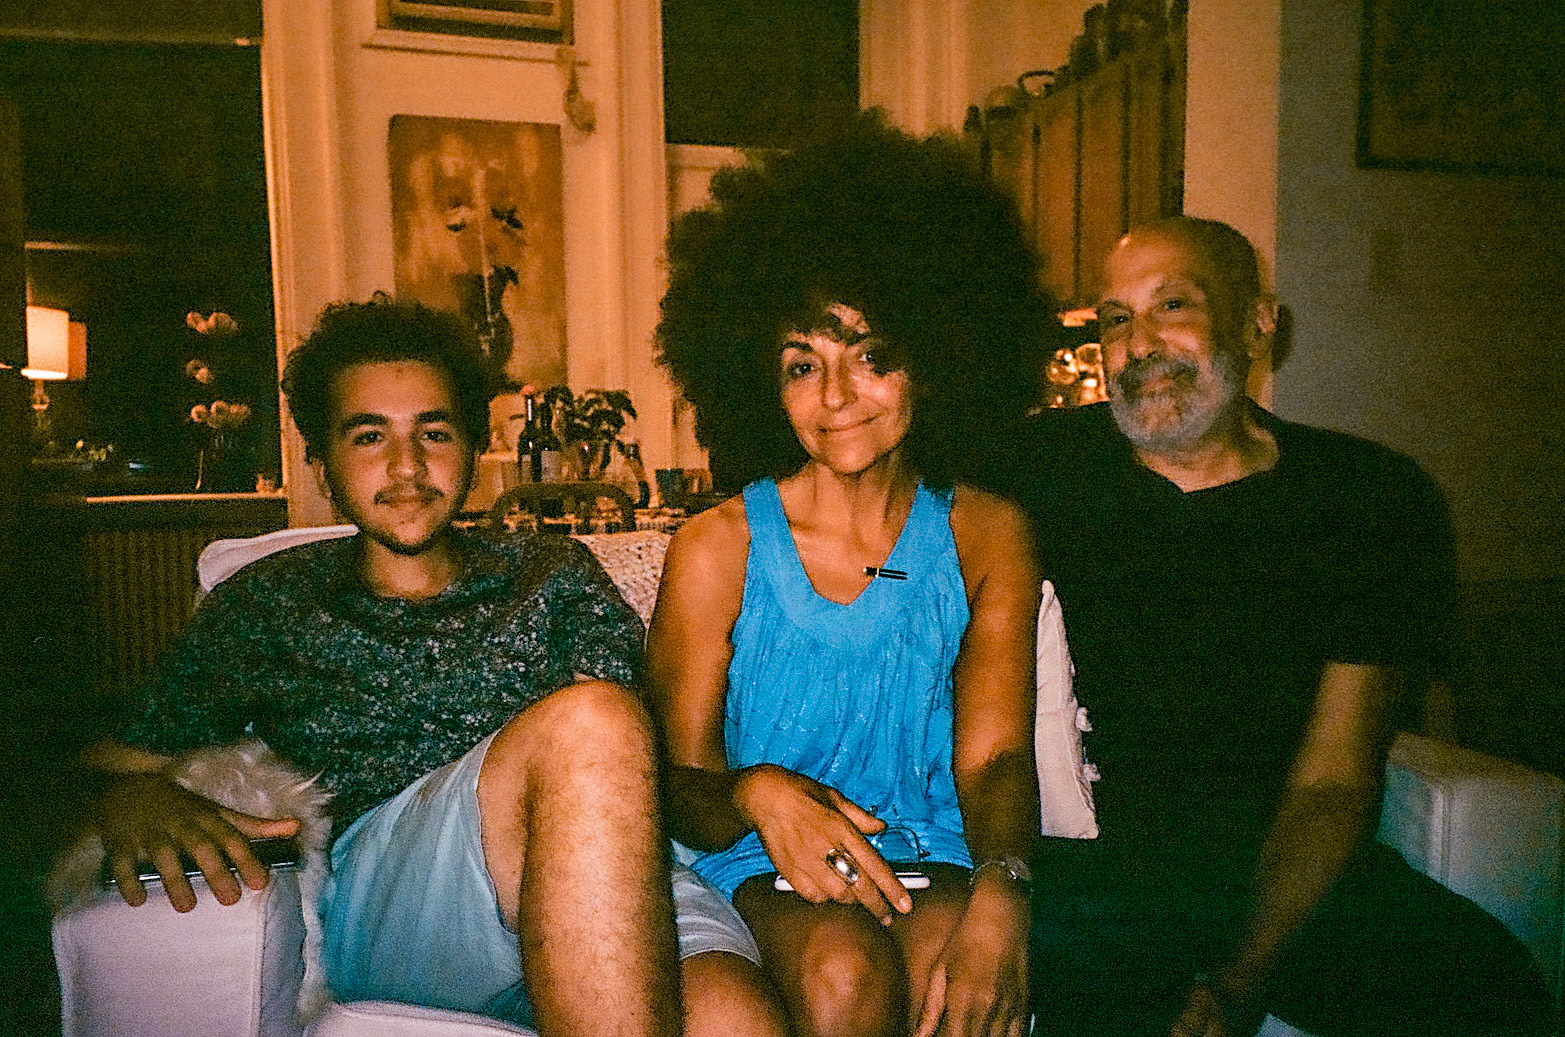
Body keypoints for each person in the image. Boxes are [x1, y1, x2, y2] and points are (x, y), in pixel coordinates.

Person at [81, 298, 778, 1037]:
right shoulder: (268, 602)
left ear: (473, 450)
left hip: (602, 873)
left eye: (434, 433)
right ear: (322, 464)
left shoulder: (554, 572)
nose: (407, 466)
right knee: (594, 719)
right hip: (403, 899)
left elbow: (646, 775)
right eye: (369, 436)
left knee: (734, 1019)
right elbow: (104, 763)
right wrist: (131, 794)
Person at [993, 218, 1552, 1036]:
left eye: (1172, 305)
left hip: (1280, 864)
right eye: (1115, 319)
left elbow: (1333, 780)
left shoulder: (1367, 500)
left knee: (1492, 991)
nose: (1137, 345)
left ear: (1258, 325)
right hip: (1083, 874)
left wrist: (1241, 976)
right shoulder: (1029, 472)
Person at [650, 115, 1057, 1037]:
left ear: (937, 360)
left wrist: (1004, 892)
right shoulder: (718, 545)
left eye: (871, 356)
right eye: (802, 364)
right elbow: (675, 783)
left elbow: (994, 757)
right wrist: (754, 790)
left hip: (935, 854)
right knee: (841, 971)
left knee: (960, 979)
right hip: (760, 861)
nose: (835, 397)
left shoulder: (988, 533)